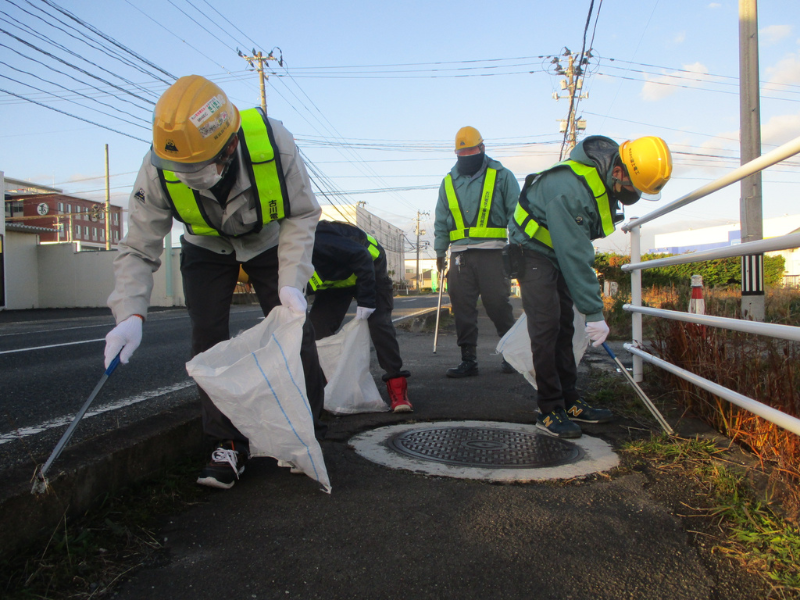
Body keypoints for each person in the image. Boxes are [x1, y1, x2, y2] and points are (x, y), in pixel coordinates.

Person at [103, 75, 326, 489]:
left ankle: (306, 427)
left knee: (297, 328)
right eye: (177, 168)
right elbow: (138, 246)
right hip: (205, 244)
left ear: (230, 146)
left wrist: (292, 280)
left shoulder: (276, 145)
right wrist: (129, 313)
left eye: (196, 167)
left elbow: (301, 213)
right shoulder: (157, 167)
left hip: (267, 240)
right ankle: (226, 442)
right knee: (207, 336)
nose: (185, 176)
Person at [508, 135, 672, 438]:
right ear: (620, 171)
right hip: (531, 250)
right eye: (633, 187)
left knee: (566, 325)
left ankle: (569, 401)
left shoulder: (605, 177)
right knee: (546, 326)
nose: (631, 194)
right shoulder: (570, 191)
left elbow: (574, 248)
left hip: (556, 249)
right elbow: (576, 255)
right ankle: (549, 409)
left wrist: (588, 312)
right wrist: (595, 313)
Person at [433, 126, 519, 378]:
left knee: (497, 305)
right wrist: (440, 251)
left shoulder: (502, 176)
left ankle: (511, 355)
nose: (467, 156)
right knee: (462, 308)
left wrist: (517, 245)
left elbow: (516, 213)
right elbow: (441, 219)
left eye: (471, 150)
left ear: (482, 148)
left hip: (493, 253)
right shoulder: (448, 182)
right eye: (462, 153)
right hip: (459, 255)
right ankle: (468, 360)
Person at [307, 220, 412, 413]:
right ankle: (327, 388)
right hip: (338, 282)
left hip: (370, 266)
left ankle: (398, 387)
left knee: (379, 324)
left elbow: (362, 257)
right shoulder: (283, 257)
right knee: (314, 330)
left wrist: (366, 301)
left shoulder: (317, 238)